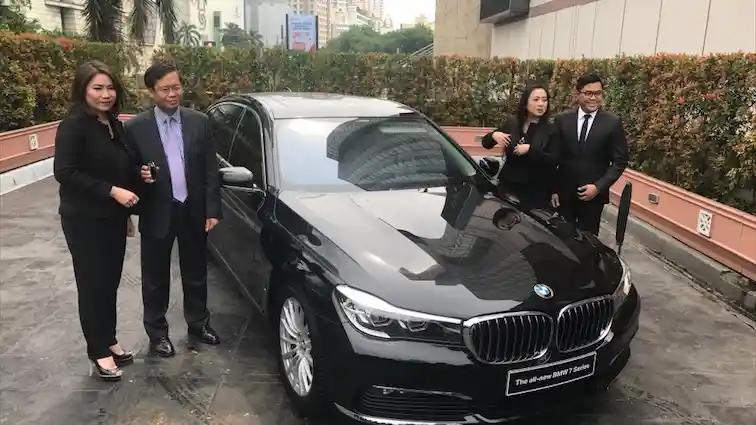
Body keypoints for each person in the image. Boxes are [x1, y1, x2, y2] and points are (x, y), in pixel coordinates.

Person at [124, 63, 222, 357]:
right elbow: (127, 171)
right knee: (155, 278)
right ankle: (157, 333)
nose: (172, 94)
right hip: (157, 211)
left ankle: (199, 323)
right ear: (151, 91)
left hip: (193, 209)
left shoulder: (199, 122)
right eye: (165, 89)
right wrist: (139, 176)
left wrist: (212, 209)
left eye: (176, 87)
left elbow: (210, 169)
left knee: (196, 272)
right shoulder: (136, 128)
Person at [54, 60, 140, 381]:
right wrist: (113, 192)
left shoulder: (113, 124)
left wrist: (133, 190)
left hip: (113, 217)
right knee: (92, 285)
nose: (106, 94)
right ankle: (98, 349)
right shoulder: (74, 125)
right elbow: (65, 172)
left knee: (110, 282)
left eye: (110, 88)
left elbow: (119, 167)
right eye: (97, 88)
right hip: (84, 220)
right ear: (83, 90)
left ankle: (109, 338)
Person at [551, 73, 629, 235]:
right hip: (564, 196)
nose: (593, 98)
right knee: (561, 239)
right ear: (577, 94)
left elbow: (620, 160)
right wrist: (553, 189)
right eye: (588, 93)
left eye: (597, 93)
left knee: (588, 242)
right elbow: (554, 157)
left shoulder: (612, 123)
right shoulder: (562, 120)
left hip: (593, 199)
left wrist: (598, 187)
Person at [480, 83, 561, 209]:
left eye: (544, 100)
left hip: (535, 192)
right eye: (536, 100)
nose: (541, 104)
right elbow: (486, 144)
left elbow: (554, 160)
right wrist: (494, 135)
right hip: (508, 188)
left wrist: (530, 150)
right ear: (525, 103)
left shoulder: (551, 129)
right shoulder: (513, 123)